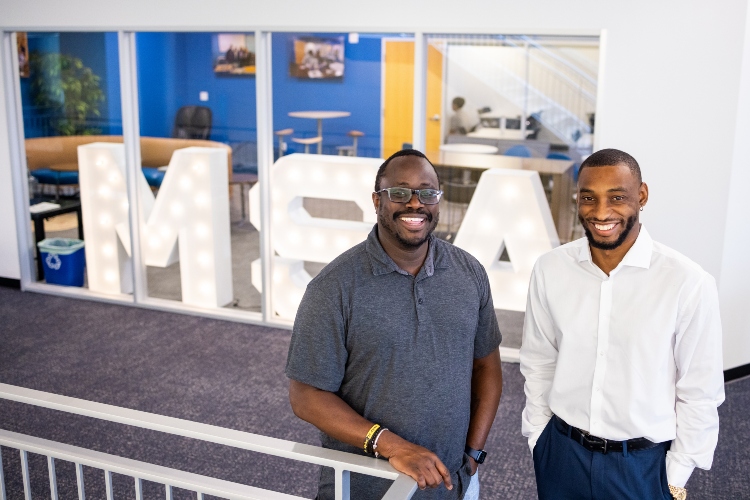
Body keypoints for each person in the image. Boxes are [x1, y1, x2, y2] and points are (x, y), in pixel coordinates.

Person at [286, 149, 503, 499]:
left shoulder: (470, 273)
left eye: (427, 192)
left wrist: (473, 455)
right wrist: (390, 445)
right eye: (399, 192)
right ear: (377, 201)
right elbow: (306, 396)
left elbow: (487, 367)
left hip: (452, 484)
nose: (415, 203)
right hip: (364, 486)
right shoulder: (333, 288)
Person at [520, 148, 724, 500]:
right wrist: (539, 437)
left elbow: (700, 391)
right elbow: (539, 360)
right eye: (589, 198)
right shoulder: (550, 269)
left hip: (644, 467)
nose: (601, 212)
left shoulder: (687, 282)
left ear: (641, 196)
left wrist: (675, 476)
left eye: (617, 197)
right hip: (561, 453)